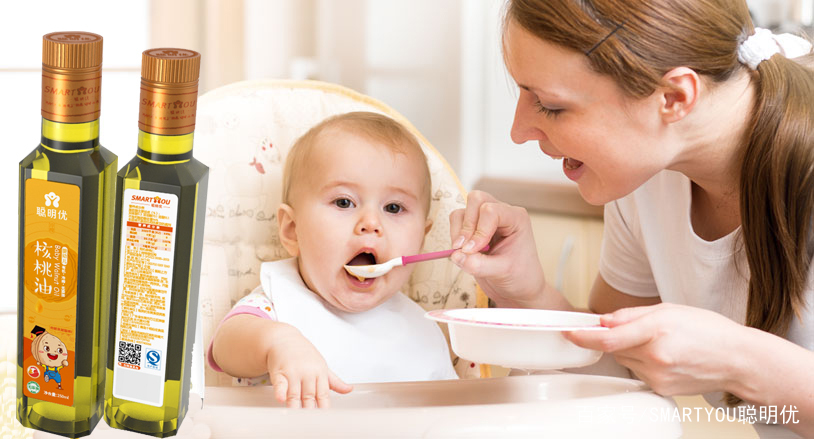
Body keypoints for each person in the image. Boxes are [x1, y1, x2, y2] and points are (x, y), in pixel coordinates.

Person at [450, 0, 813, 435]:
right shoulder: (646, 177)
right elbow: (615, 369)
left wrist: (741, 360)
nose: (519, 130)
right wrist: (529, 294)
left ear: (675, 98)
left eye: (550, 105)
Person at [208, 111, 458, 409]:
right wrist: (278, 343)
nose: (371, 223)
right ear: (292, 229)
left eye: (393, 207)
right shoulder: (277, 306)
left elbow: (450, 414)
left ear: (422, 240)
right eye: (344, 202)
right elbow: (225, 347)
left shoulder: (423, 330)